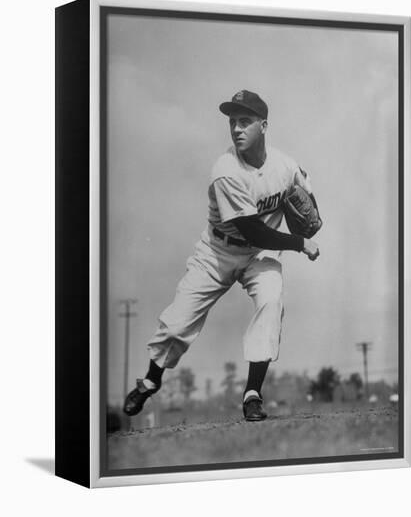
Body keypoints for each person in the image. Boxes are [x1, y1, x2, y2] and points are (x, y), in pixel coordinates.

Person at [124, 89, 320, 421]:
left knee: (272, 302)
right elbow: (251, 230)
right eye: (232, 122)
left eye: (245, 121)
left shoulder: (286, 166)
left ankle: (252, 394)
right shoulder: (225, 170)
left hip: (260, 255)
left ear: (264, 125)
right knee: (176, 325)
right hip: (217, 252)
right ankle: (149, 381)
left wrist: (310, 222)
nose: (236, 129)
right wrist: (299, 243)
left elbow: (308, 207)